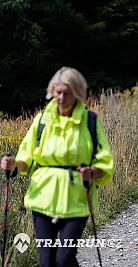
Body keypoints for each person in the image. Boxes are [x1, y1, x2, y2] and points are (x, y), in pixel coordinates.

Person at [0, 67, 114, 266]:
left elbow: (104, 159)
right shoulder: (42, 120)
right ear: (52, 92)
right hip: (42, 198)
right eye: (58, 92)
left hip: (77, 201)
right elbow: (26, 158)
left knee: (65, 258)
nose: (62, 97)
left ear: (77, 93)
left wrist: (92, 171)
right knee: (47, 261)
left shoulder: (90, 122)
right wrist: (12, 164)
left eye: (67, 93)